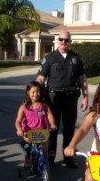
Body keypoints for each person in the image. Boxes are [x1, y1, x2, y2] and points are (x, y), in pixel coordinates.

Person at [36, 30, 89, 169]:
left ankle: (68, 157)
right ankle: (51, 158)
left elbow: (82, 78)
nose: (63, 42)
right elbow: (41, 78)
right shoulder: (50, 58)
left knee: (69, 129)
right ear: (57, 40)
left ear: (70, 42)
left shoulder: (76, 58)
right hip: (53, 99)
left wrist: (86, 97)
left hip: (70, 99)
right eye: (61, 39)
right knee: (53, 129)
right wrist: (35, 94)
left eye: (66, 40)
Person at [15, 81, 57, 167]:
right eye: (33, 92)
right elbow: (18, 121)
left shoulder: (44, 105)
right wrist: (19, 129)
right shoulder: (24, 107)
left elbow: (49, 115)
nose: (35, 94)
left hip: (42, 132)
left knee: (45, 150)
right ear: (28, 92)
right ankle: (27, 160)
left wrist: (52, 124)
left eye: (38, 91)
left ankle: (45, 161)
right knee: (29, 148)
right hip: (29, 133)